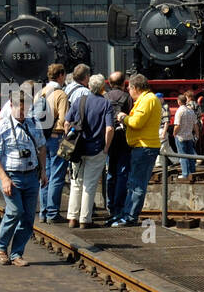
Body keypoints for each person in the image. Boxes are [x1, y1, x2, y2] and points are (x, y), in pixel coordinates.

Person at [0, 88, 47, 266]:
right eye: (20, 109)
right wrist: (4, 178)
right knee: (14, 211)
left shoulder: (33, 124)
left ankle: (16, 254)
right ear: (11, 106)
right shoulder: (2, 126)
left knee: (28, 217)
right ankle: (1, 246)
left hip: (31, 176)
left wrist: (43, 171)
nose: (23, 112)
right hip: (12, 176)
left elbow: (42, 147)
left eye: (26, 109)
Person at [66, 74, 115, 229]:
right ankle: (85, 219)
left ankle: (72, 218)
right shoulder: (106, 104)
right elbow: (109, 128)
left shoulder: (79, 101)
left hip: (77, 149)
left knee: (76, 183)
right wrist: (106, 147)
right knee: (90, 184)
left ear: (88, 86)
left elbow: (66, 123)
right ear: (102, 88)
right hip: (96, 149)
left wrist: (70, 141)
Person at [113, 75, 161, 227]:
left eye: (129, 88)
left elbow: (136, 122)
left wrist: (123, 118)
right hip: (143, 146)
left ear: (136, 88)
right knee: (134, 183)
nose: (128, 90)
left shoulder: (147, 100)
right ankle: (128, 214)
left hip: (144, 147)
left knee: (136, 184)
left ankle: (129, 217)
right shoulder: (148, 99)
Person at [37, 64, 71, 222]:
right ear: (61, 75)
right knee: (57, 176)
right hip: (58, 137)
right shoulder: (61, 94)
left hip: (43, 139)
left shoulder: (41, 93)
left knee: (45, 175)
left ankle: (43, 212)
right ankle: (52, 213)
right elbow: (64, 119)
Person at [103, 71, 133, 222]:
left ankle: (110, 205)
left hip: (109, 138)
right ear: (123, 84)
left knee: (111, 173)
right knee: (122, 173)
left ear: (109, 83)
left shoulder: (105, 97)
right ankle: (119, 206)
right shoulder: (127, 98)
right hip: (123, 139)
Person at [173, 92, 198, 181]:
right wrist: (197, 134)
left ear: (179, 101)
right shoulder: (191, 111)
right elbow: (195, 124)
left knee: (182, 155)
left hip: (181, 137)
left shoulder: (179, 111)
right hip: (189, 136)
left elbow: (177, 125)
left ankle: (185, 174)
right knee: (190, 155)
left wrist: (174, 133)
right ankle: (192, 172)